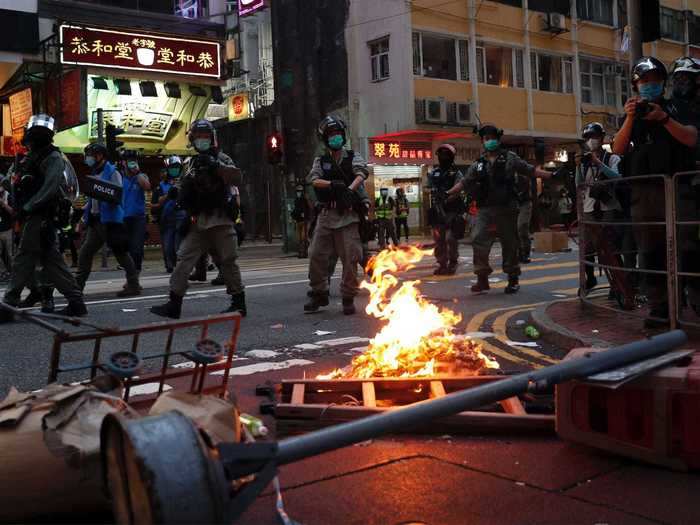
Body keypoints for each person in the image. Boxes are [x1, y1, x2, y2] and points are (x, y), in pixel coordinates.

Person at [613, 56, 698, 328]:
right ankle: (660, 307)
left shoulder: (678, 107)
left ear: (663, 83)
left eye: (654, 81)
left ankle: (693, 302)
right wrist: (629, 117)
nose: (649, 86)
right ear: (636, 86)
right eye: (643, 82)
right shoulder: (633, 114)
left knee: (687, 249)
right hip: (644, 194)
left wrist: (664, 119)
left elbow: (691, 138)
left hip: (677, 190)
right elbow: (617, 148)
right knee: (650, 252)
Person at [150, 119, 245, 319]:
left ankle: (239, 303)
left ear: (212, 139)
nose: (202, 140)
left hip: (220, 220)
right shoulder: (190, 163)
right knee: (183, 259)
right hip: (198, 222)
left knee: (228, 261)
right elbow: (183, 187)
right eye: (199, 137)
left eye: (205, 137)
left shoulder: (222, 158)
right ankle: (174, 303)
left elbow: (236, 178)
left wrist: (215, 165)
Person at [0, 114, 86, 321]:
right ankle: (76, 302)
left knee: (23, 259)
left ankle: (8, 304)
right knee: (52, 262)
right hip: (31, 216)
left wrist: (29, 206)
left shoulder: (52, 157)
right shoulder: (29, 158)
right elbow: (13, 182)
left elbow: (50, 188)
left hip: (41, 216)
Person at [463, 124, 552, 294]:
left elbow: (530, 170)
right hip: (484, 209)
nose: (489, 141)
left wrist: (551, 175)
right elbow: (465, 182)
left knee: (510, 243)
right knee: (478, 238)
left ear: (498, 139)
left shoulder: (510, 158)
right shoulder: (479, 163)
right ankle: (482, 278)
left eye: (492, 138)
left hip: (506, 207)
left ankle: (513, 278)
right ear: (482, 141)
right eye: (486, 138)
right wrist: (449, 193)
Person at [304, 115, 368, 315]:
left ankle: (348, 297)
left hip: (348, 216)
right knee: (315, 255)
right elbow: (314, 180)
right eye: (331, 134)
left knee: (350, 257)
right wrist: (332, 184)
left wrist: (349, 190)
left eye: (338, 133)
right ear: (325, 139)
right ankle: (319, 292)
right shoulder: (320, 161)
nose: (335, 137)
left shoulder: (353, 156)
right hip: (326, 215)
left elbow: (361, 173)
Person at [76, 143, 142, 297]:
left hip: (110, 221)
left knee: (121, 254)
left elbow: (117, 195)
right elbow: (93, 200)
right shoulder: (94, 173)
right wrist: (84, 213)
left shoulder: (113, 172)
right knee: (85, 252)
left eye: (92, 154)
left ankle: (134, 284)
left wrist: (102, 194)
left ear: (101, 156)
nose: (89, 158)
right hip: (95, 221)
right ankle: (77, 288)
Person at [575, 122, 622, 291]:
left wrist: (599, 163)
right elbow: (579, 185)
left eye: (594, 137)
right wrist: (580, 166)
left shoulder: (612, 158)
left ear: (601, 138)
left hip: (607, 208)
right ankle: (590, 279)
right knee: (587, 249)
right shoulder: (583, 162)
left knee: (610, 248)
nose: (591, 141)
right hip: (589, 209)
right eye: (587, 138)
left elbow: (618, 178)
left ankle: (618, 284)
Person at [427, 144, 466, 275]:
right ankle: (442, 264)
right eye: (441, 154)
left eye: (446, 154)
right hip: (438, 210)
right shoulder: (434, 172)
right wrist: (435, 196)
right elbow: (429, 187)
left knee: (451, 238)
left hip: (453, 209)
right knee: (439, 239)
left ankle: (453, 262)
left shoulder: (457, 173)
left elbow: (459, 190)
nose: (443, 157)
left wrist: (447, 197)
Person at [121, 150, 151, 274]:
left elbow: (147, 186)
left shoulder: (141, 176)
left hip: (139, 218)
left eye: (134, 161)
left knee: (137, 249)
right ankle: (131, 275)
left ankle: (135, 274)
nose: (132, 163)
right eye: (129, 161)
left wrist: (137, 173)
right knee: (125, 249)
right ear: (123, 163)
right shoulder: (119, 177)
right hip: (123, 218)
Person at [151, 157, 182, 273]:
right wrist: (168, 195)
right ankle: (169, 265)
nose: (175, 170)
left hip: (181, 218)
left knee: (178, 245)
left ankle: (180, 266)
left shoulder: (183, 183)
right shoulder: (160, 187)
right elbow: (154, 205)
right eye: (172, 168)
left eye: (177, 168)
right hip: (166, 219)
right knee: (168, 246)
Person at [515, 169, 537, 264]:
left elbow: (524, 193)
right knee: (513, 230)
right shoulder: (504, 178)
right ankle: (519, 253)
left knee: (521, 226)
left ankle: (525, 252)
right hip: (512, 204)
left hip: (524, 203)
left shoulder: (523, 178)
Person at [0, 176, 14, 281]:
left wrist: (3, 204)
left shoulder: (8, 196)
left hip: (8, 230)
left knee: (10, 254)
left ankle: (13, 273)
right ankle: (3, 272)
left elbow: (13, 212)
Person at [291, 184, 310, 258]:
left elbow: (310, 208)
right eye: (297, 191)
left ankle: (304, 252)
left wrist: (307, 199)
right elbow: (295, 209)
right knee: (299, 239)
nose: (299, 192)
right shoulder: (296, 200)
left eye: (300, 191)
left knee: (303, 238)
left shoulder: (305, 199)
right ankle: (301, 252)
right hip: (298, 220)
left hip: (305, 221)